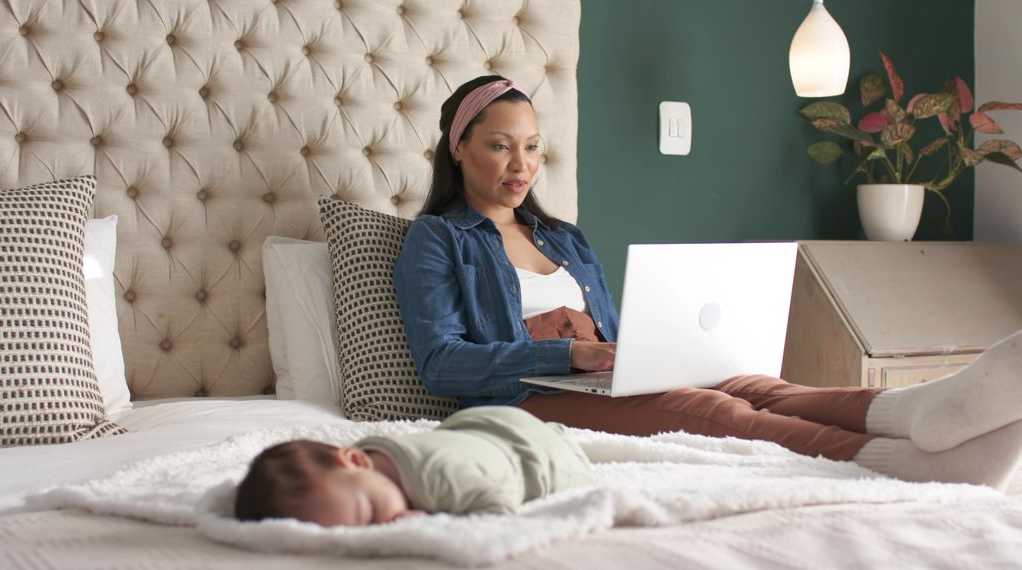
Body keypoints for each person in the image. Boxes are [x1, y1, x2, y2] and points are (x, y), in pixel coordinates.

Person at [392, 74, 1022, 491]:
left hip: (601, 381)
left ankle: (920, 411)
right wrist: (569, 353)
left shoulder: (564, 237)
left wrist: (638, 353)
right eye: (501, 146)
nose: (522, 165)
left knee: (757, 386)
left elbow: (615, 333)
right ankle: (902, 463)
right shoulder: (438, 240)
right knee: (711, 408)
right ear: (458, 147)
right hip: (522, 402)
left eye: (532, 146)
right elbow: (442, 364)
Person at [234, 406, 594, 526]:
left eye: (371, 512)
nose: (383, 527)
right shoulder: (364, 466)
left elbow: (498, 504)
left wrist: (441, 522)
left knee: (562, 476)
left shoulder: (441, 478)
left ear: (356, 459)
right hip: (486, 425)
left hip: (536, 451)